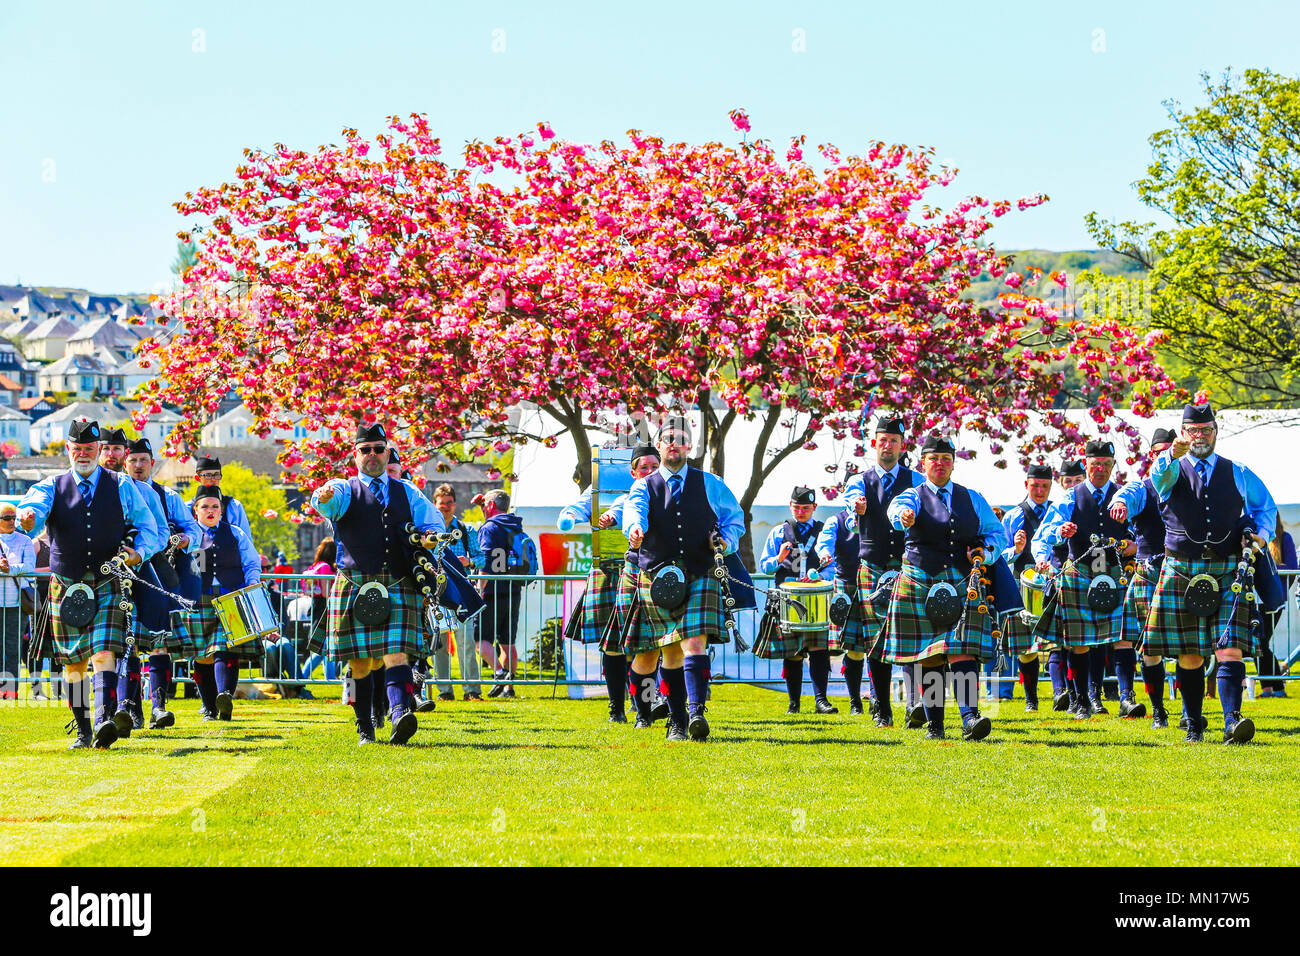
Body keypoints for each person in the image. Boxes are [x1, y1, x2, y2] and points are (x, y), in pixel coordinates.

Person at [1135, 403, 1278, 743]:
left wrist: (1263, 533)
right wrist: (1171, 453)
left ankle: (1232, 721)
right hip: (1181, 568)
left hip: (1228, 568)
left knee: (1229, 649)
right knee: (1190, 653)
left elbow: (1265, 507)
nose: (1199, 437)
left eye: (1206, 430)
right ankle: (1195, 722)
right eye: (1193, 431)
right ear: (1184, 433)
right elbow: (1160, 479)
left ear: (1216, 432)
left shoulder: (1238, 470)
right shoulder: (1169, 469)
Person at [18, 418, 163, 749]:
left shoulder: (122, 485)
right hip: (65, 584)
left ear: (100, 450)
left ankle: (103, 722)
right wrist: (28, 519)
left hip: (106, 580)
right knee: (73, 662)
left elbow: (149, 528)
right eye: (77, 449)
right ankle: (84, 731)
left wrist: (138, 554)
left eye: (89, 449)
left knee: (103, 653)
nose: (83, 454)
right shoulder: (49, 486)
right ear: (68, 450)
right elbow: (32, 511)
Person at [310, 424, 448, 745]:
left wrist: (430, 539)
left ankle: (400, 714)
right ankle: (365, 729)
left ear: (387, 452)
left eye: (378, 448)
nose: (372, 455)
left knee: (395, 653)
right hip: (355, 583)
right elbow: (325, 501)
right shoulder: (344, 489)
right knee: (359, 663)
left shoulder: (407, 491)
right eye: (365, 449)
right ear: (355, 455)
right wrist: (323, 496)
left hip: (398, 581)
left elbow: (433, 525)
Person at [622, 416, 746, 742]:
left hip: (700, 571)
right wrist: (634, 529)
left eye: (681, 439)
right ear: (660, 445)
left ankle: (696, 714)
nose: (674, 444)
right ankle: (675, 721)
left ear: (690, 446)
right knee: (668, 652)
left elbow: (735, 519)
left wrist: (725, 541)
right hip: (657, 577)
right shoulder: (643, 486)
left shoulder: (711, 484)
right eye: (667, 439)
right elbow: (634, 511)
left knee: (693, 643)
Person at [879, 434, 1006, 741]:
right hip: (920, 579)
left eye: (946, 459)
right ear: (923, 463)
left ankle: (970, 718)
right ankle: (936, 727)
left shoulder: (972, 497)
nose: (940, 464)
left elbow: (996, 534)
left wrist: (986, 553)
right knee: (929, 656)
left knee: (962, 650)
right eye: (934, 459)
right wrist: (902, 517)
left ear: (953, 464)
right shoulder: (912, 495)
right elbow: (896, 511)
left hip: (962, 581)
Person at [1031, 439, 1139, 720]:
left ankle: (1127, 699)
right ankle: (1081, 701)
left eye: (1105, 464)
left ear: (1113, 465)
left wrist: (1134, 546)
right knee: (1079, 642)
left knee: (1124, 638)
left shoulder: (1125, 494)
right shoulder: (1071, 496)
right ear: (1086, 464)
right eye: (1094, 464)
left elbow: (1144, 532)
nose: (1100, 469)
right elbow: (1045, 534)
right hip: (1079, 573)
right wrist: (1060, 533)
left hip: (1116, 575)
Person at [558, 446, 659, 722]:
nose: (649, 473)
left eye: (654, 467)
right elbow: (613, 509)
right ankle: (617, 708)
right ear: (632, 472)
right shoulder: (620, 495)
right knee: (613, 643)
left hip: (648, 573)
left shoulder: (671, 495)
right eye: (643, 468)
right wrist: (585, 517)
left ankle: (644, 708)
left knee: (649, 645)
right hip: (609, 571)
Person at [841, 416, 925, 727]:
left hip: (908, 566)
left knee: (912, 636)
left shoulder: (917, 480)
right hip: (872, 567)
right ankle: (881, 709)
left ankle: (917, 707)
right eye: (882, 439)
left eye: (893, 440)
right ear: (874, 443)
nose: (887, 445)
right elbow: (851, 515)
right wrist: (857, 511)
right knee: (875, 640)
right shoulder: (858, 482)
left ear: (902, 446)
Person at [124, 436, 202, 730]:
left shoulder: (169, 496)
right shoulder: (116, 492)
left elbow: (193, 529)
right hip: (124, 575)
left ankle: (159, 707)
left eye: (144, 460)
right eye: (133, 460)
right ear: (124, 462)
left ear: (153, 464)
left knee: (158, 643)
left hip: (160, 575)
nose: (139, 465)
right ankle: (131, 710)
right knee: (126, 644)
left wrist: (185, 539)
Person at [1109, 428, 1176, 727]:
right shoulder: (1142, 488)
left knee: (1193, 648)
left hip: (1186, 572)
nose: (1166, 455)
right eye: (1160, 450)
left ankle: (1189, 712)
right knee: (1150, 649)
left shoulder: (1189, 488)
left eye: (1172, 450)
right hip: (1150, 573)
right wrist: (1119, 503)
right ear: (1151, 455)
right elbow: (1126, 494)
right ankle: (1159, 710)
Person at [183, 485, 263, 722]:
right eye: (205, 506)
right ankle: (209, 708)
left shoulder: (236, 533)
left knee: (227, 648)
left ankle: (225, 696)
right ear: (195, 510)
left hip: (232, 597)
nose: (210, 510)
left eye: (215, 506)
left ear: (221, 510)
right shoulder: (188, 537)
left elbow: (251, 562)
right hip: (199, 599)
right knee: (201, 655)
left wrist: (252, 584)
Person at [756, 486, 836, 715]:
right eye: (797, 507)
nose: (801, 512)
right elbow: (765, 566)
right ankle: (794, 703)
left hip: (816, 600)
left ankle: (821, 700)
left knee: (819, 648)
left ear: (814, 508)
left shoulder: (823, 533)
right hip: (787, 600)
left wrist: (821, 576)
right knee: (792, 652)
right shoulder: (778, 532)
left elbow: (833, 567)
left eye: (806, 508)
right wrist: (778, 558)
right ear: (790, 506)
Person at [999, 463, 1055, 711]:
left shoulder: (1058, 512)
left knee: (1058, 643)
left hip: (1055, 582)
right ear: (1027, 485)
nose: (1040, 491)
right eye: (1035, 486)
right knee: (1026, 648)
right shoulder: (1013, 516)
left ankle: (1064, 695)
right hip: (1024, 587)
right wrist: (1017, 550)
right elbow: (1001, 556)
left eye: (1045, 486)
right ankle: (1031, 699)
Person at [478, 490, 535, 699]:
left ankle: (500, 675)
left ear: (491, 505)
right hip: (513, 589)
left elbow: (485, 562)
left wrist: (479, 588)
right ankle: (509, 688)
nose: (483, 508)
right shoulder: (515, 525)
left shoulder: (490, 527)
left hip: (492, 591)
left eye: (485, 504)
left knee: (479, 640)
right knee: (508, 643)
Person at [431, 483, 484, 702]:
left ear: (455, 504)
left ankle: (472, 690)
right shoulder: (429, 531)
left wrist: (469, 561)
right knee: (440, 644)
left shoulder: (465, 530)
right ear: (435, 504)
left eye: (450, 503)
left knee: (467, 643)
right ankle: (444, 691)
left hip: (462, 593)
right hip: (437, 594)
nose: (446, 507)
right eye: (442, 503)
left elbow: (482, 557)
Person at [1258, 514, 1297, 697]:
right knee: (1257, 642)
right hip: (1255, 598)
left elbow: (1292, 567)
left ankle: (1275, 687)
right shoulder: (1255, 537)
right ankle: (1270, 688)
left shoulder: (1285, 538)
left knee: (1260, 642)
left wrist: (1277, 589)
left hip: (1274, 600)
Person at [0, 503, 35, 700]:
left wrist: (9, 569)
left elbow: (29, 567)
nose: (12, 521)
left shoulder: (25, 540)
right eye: (6, 518)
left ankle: (10, 690)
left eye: (14, 517)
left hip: (16, 603)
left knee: (13, 648)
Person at [296, 537, 337, 682]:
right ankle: (328, 677)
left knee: (322, 648)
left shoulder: (316, 566)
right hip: (325, 607)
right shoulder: (326, 567)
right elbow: (326, 593)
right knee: (325, 647)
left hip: (315, 606)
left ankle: (303, 677)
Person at [190, 454, 253, 539]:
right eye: (208, 475)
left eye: (216, 475)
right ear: (197, 478)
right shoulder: (188, 508)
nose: (213, 479)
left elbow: (246, 539)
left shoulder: (234, 506)